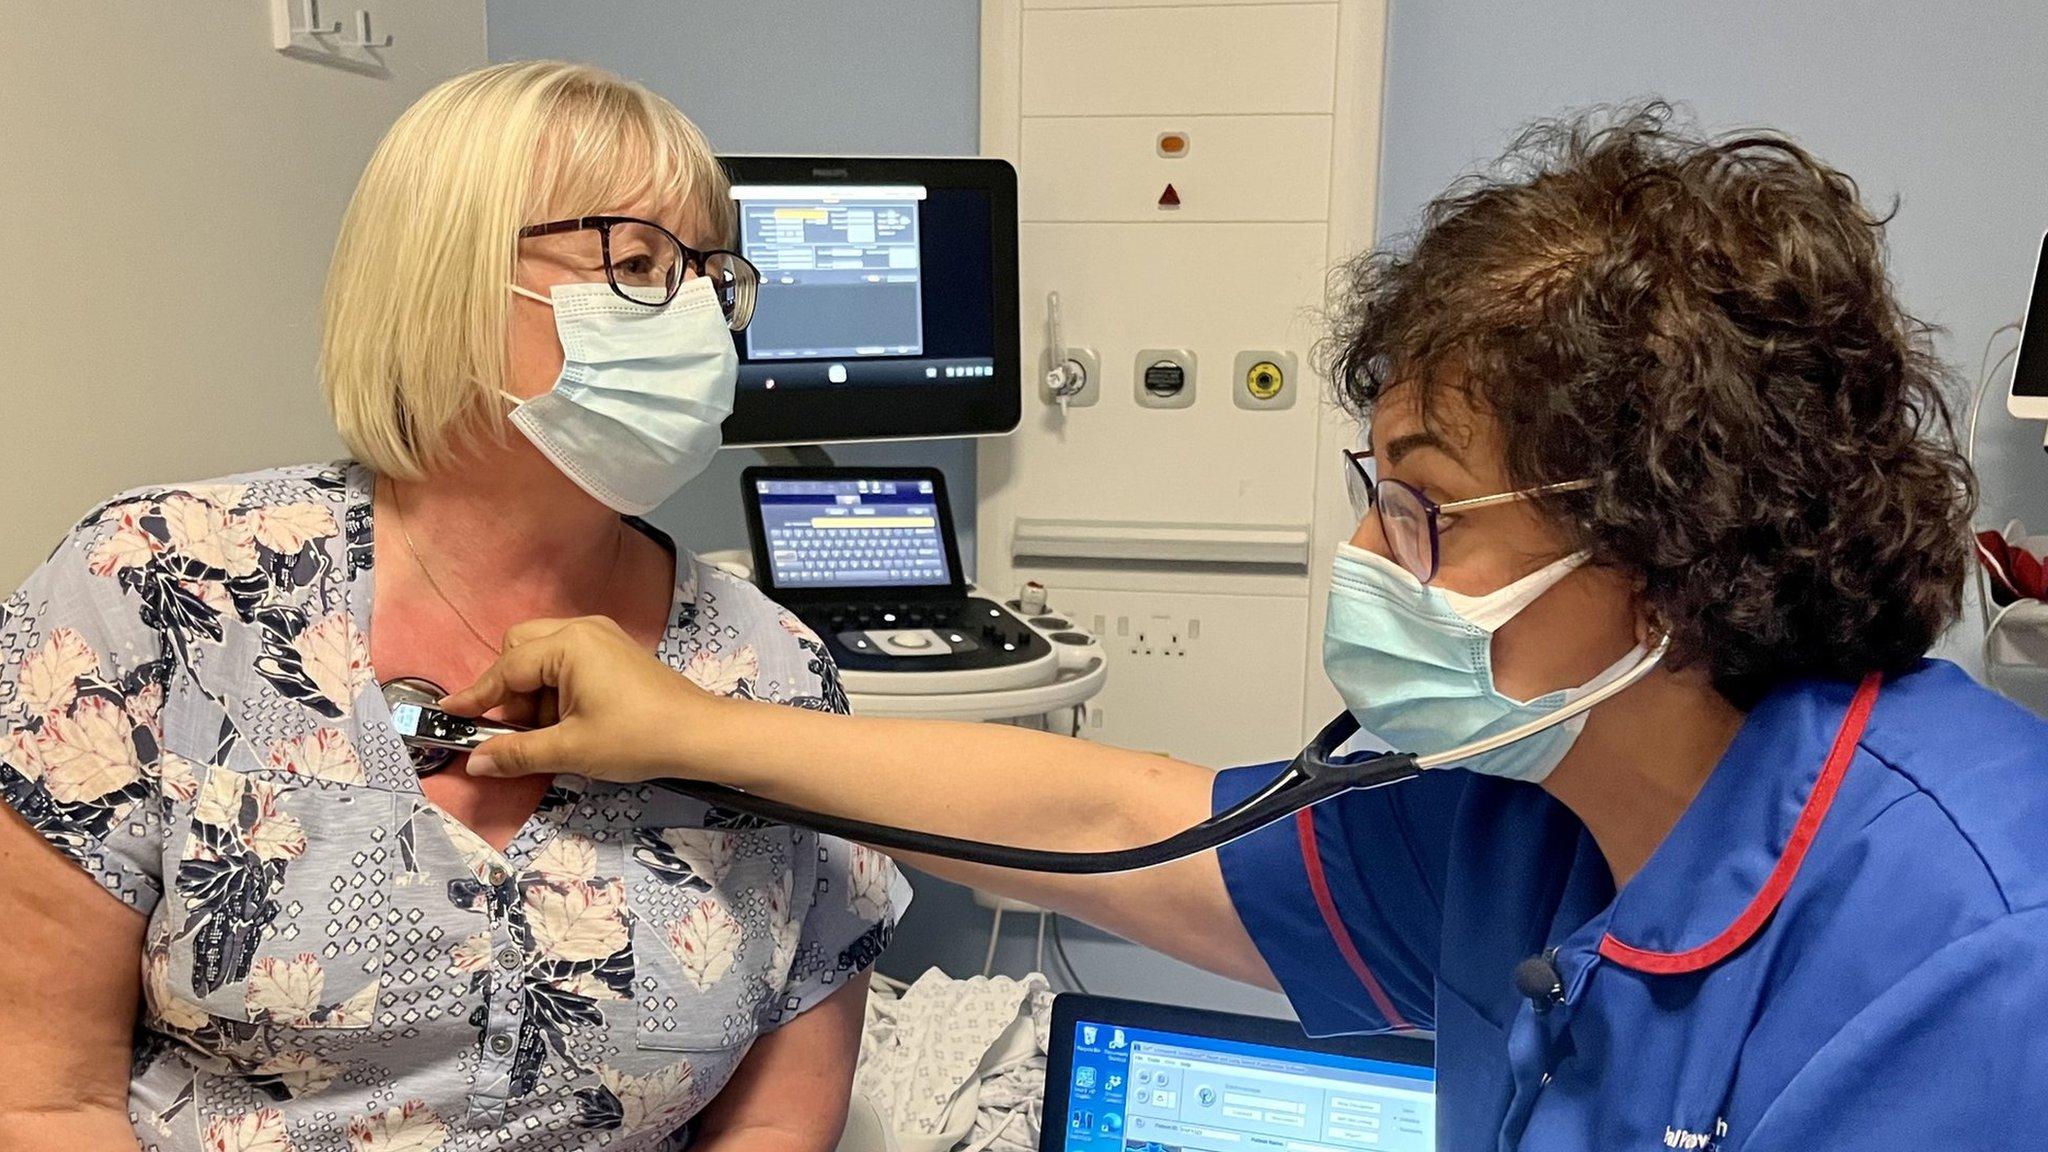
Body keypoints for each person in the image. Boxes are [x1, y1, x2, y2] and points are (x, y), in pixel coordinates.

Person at [444, 106, 2048, 1149]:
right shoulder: (1531, 818)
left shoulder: (1976, 958)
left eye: (1420, 506)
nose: (1362, 557)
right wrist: (685, 730)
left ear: (1677, 551)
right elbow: (1124, 821)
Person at [0, 61, 905, 1151]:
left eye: (709, 278)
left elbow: (778, 1122)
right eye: (631, 265)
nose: (695, 321)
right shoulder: (156, 587)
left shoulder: (768, 670)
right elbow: (42, 1101)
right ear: (444, 277)